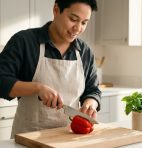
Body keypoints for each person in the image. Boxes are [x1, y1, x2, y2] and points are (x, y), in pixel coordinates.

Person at [0, 0, 101, 138]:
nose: (77, 28)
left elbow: (93, 90)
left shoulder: (85, 52)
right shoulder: (24, 41)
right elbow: (2, 80)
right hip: (29, 138)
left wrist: (90, 104)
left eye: (84, 23)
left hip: (69, 137)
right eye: (73, 19)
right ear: (56, 9)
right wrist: (37, 88)